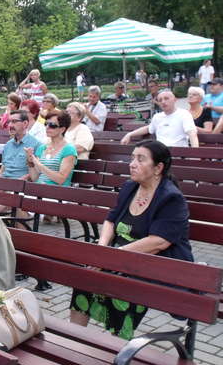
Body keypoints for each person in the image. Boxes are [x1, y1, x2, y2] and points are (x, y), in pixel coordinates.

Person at [69, 140, 193, 340]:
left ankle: (116, 346)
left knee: (123, 285)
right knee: (87, 274)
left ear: (158, 168)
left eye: (140, 159)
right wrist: (102, 250)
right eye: (132, 158)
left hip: (156, 264)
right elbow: (111, 220)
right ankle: (73, 339)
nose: (132, 164)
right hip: (121, 257)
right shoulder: (130, 187)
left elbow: (158, 242)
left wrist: (111, 257)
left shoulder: (171, 198)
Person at [121, 90, 199, 148]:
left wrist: (195, 155)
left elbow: (192, 134)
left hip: (178, 153)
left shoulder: (184, 114)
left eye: (166, 98)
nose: (163, 102)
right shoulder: (157, 117)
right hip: (160, 154)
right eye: (160, 100)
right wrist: (129, 134)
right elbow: (148, 129)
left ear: (175, 100)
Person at [26, 112, 77, 187]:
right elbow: (35, 178)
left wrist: (39, 164)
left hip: (57, 191)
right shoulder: (42, 148)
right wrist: (30, 162)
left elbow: (60, 179)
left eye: (52, 125)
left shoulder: (69, 150)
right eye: (46, 124)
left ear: (62, 129)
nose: (47, 127)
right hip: (39, 189)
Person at [0, 110, 42, 180]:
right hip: (4, 182)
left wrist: (20, 182)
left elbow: (37, 172)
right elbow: (2, 169)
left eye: (14, 121)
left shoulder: (36, 145)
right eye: (9, 122)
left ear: (25, 123)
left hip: (22, 184)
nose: (10, 125)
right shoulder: (8, 145)